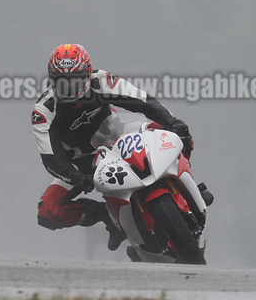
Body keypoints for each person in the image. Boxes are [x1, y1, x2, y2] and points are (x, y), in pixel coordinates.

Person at [31, 43, 194, 251]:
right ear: (51, 80)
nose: (70, 87)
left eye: (76, 80)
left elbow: (143, 101)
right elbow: (51, 158)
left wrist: (173, 123)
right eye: (63, 82)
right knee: (47, 211)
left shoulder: (102, 81)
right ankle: (106, 216)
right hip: (80, 165)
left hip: (116, 135)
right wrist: (75, 177)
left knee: (171, 131)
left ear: (88, 74)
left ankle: (188, 185)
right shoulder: (43, 111)